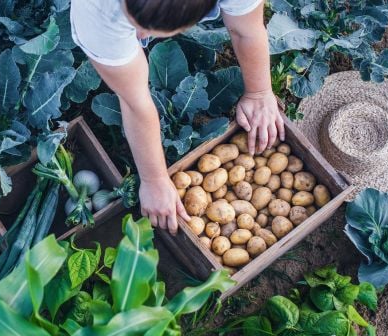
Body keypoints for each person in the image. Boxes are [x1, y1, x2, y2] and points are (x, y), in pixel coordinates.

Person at [70, 0, 284, 235]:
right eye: (134, 22)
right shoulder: (97, 11)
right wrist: (154, 179)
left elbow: (247, 30)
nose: (140, 35)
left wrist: (259, 92)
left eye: (149, 29)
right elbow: (135, 103)